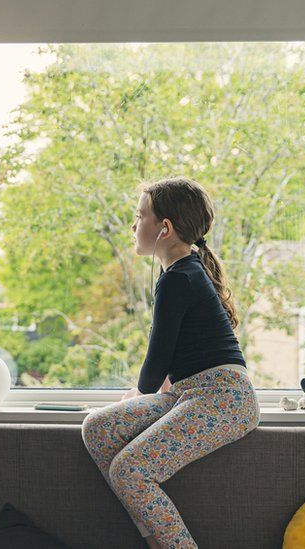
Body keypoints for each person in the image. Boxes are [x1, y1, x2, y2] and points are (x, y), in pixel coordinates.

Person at [81, 176, 260, 549]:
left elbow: (156, 364)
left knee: (130, 470)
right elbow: (177, 363)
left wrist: (137, 394)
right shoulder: (183, 272)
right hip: (192, 394)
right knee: (97, 428)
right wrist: (142, 395)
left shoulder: (180, 277)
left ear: (164, 228)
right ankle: (155, 538)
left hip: (224, 399)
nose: (133, 226)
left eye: (139, 216)